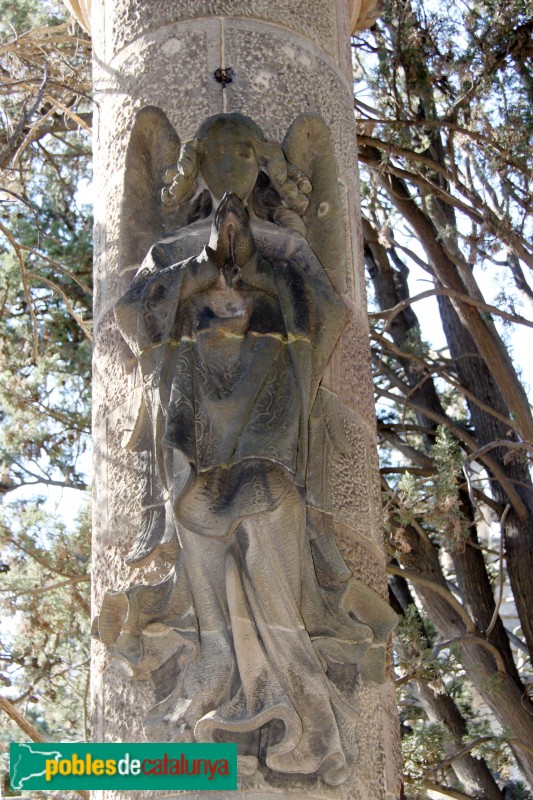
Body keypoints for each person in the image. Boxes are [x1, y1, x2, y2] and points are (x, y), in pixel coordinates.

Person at [98, 113, 395, 786]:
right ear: (195, 164)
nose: (230, 161)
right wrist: (201, 268)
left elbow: (327, 314)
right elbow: (132, 314)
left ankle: (306, 712)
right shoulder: (171, 248)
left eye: (244, 149)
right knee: (196, 515)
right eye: (216, 151)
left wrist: (256, 270)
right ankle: (214, 675)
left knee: (270, 512)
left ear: (262, 161)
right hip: (194, 415)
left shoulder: (285, 246)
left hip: (267, 414)